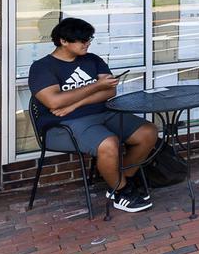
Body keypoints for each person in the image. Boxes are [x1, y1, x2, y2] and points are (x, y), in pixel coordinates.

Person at [28, 17, 158, 212]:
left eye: (89, 39)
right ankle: (121, 190)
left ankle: (123, 179)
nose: (87, 43)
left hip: (103, 113)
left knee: (148, 132)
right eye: (82, 40)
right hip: (64, 124)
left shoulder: (92, 59)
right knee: (109, 143)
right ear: (63, 41)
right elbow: (54, 101)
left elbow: (109, 91)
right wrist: (95, 86)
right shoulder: (42, 67)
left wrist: (75, 103)